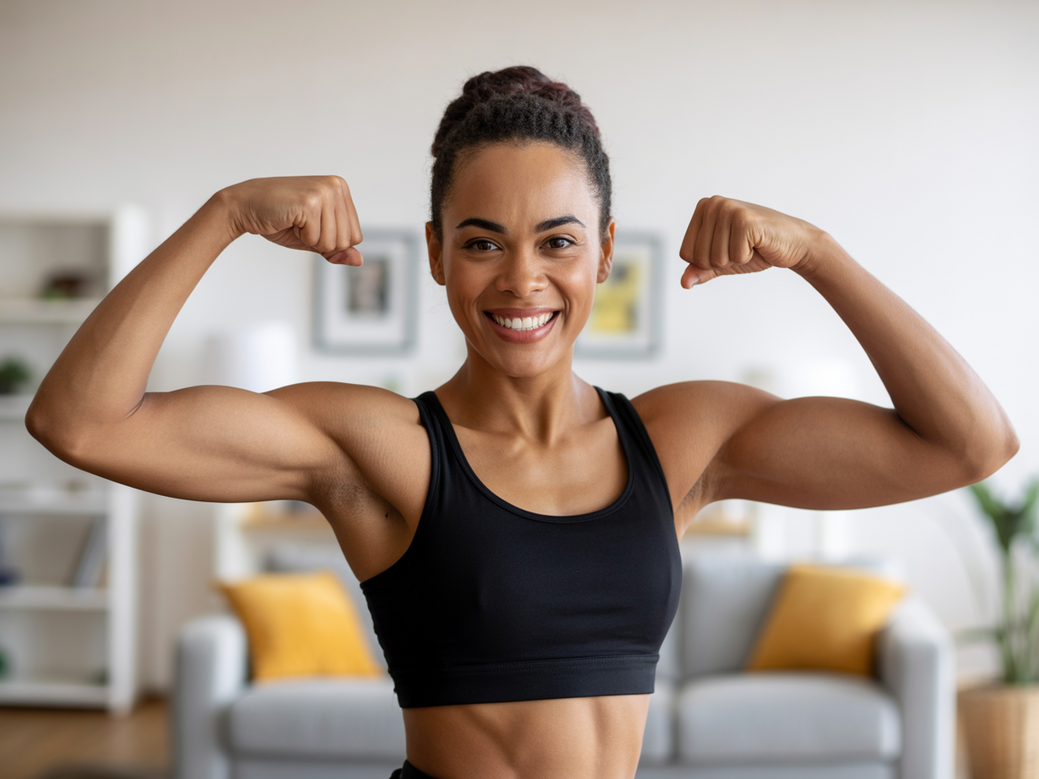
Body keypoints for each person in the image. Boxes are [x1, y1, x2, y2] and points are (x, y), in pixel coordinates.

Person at [27, 66, 1017, 779]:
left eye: (557, 240)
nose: (521, 278)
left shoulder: (683, 440)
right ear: (435, 253)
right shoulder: (377, 447)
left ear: (602, 254)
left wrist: (816, 251)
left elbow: (970, 443)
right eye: (481, 241)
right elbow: (81, 422)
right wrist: (227, 212)